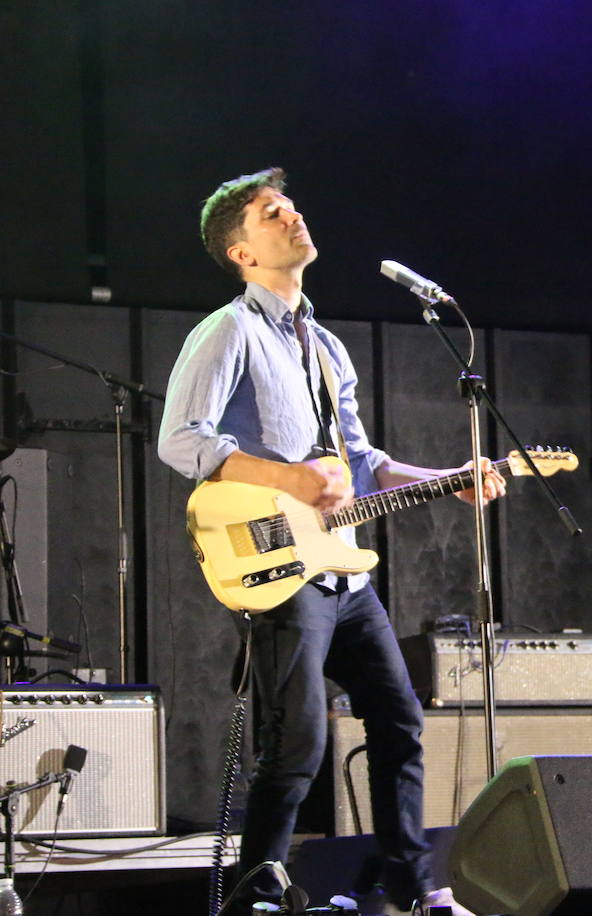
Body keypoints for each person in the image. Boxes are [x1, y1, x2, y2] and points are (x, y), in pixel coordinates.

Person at [158, 167, 504, 916]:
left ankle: (410, 886)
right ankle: (257, 891)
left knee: (400, 718)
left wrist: (450, 478)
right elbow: (180, 439)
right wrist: (288, 478)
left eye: (292, 207)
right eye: (272, 214)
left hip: (344, 576)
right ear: (242, 253)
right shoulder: (228, 330)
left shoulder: (326, 347)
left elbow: (364, 462)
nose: (293, 217)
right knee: (298, 743)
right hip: (280, 565)